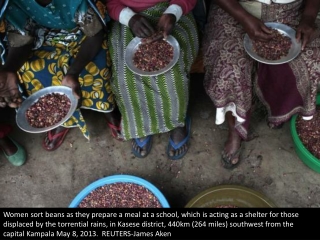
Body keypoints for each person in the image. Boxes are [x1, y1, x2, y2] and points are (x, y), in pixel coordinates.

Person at [203, 0, 320, 169]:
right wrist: (243, 17)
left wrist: (309, 16)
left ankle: (279, 110)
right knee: (229, 67)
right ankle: (235, 129)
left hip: (292, 11)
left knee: (310, 59)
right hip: (237, 8)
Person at [0, 0, 122, 151]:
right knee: (32, 70)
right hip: (43, 37)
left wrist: (73, 72)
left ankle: (108, 111)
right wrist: (10, 68)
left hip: (84, 36)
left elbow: (95, 34)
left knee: (96, 68)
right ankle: (61, 119)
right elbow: (22, 39)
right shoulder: (15, 2)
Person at [106, 0, 199, 159]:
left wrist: (174, 12)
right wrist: (130, 18)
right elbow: (109, 3)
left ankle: (177, 123)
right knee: (125, 77)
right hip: (127, 18)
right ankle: (141, 125)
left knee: (172, 73)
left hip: (170, 13)